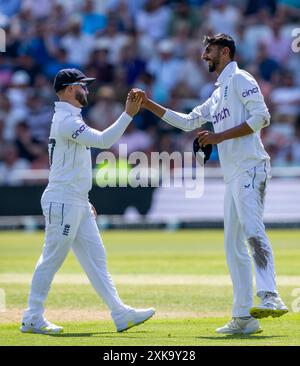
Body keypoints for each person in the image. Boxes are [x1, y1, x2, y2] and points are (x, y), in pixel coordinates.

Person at [131, 34, 288, 335]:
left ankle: (270, 296)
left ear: (225, 52)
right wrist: (148, 103)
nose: (204, 54)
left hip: (251, 167)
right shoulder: (217, 93)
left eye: (209, 49)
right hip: (233, 174)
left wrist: (217, 137)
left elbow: (262, 118)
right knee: (232, 247)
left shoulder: (241, 79)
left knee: (253, 230)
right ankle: (244, 317)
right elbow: (189, 121)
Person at [20, 68, 155, 335]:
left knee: (97, 259)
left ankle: (119, 313)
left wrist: (83, 199)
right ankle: (32, 316)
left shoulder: (70, 118)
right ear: (70, 89)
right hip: (63, 200)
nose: (87, 91)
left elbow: (76, 163)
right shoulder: (66, 121)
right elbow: (104, 140)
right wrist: (128, 113)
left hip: (76, 201)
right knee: (51, 259)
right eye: (83, 86)